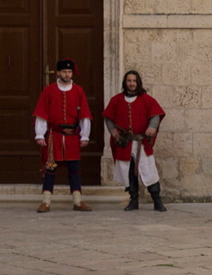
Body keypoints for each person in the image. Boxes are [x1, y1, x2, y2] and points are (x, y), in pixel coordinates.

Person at [33, 58, 93, 213]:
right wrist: (40, 134)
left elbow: (84, 115)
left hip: (73, 136)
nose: (67, 74)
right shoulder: (49, 91)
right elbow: (42, 113)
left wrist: (85, 135)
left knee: (74, 168)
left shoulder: (79, 91)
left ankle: (77, 201)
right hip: (54, 135)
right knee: (50, 168)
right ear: (58, 73)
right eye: (64, 71)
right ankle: (46, 201)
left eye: (70, 71)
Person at [102, 70, 167, 212]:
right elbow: (108, 117)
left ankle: (157, 200)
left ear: (138, 83)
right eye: (129, 81)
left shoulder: (146, 99)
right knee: (128, 171)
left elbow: (155, 115)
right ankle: (133, 200)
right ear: (125, 83)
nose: (131, 84)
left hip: (141, 142)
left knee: (149, 170)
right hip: (125, 143)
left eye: (134, 81)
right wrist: (112, 131)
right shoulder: (117, 100)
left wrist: (152, 127)